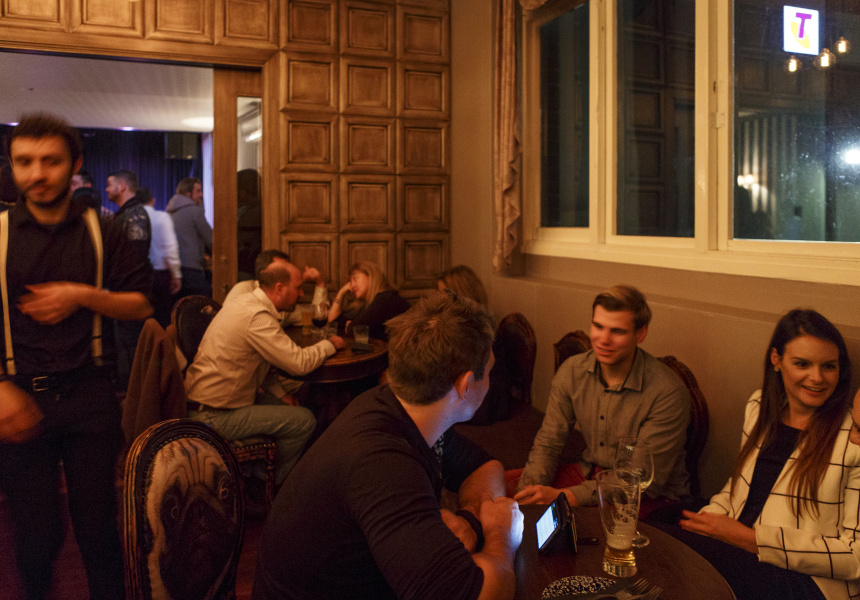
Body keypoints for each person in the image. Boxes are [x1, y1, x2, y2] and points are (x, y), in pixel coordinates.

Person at [253, 292, 524, 600]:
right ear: (465, 385)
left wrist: (471, 522)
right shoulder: (383, 466)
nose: (490, 382)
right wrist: (501, 534)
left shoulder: (400, 407)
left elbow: (485, 466)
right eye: (489, 373)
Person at [0, 112, 153, 600]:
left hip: (90, 394)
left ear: (75, 164)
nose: (37, 173)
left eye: (50, 161)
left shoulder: (104, 230)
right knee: (35, 535)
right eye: (24, 162)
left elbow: (143, 304)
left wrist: (83, 295)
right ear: (12, 165)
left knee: (99, 531)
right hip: (20, 394)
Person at [658, 309, 858, 600]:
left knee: (667, 552)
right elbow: (739, 487)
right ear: (776, 360)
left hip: (807, 580)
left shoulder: (854, 436)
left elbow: (854, 556)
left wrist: (751, 540)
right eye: (802, 364)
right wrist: (709, 521)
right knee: (657, 536)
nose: (817, 378)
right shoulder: (760, 406)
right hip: (741, 548)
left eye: (829, 366)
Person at [511, 285, 690, 513]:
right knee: (502, 490)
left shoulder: (668, 391)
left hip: (648, 496)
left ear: (641, 334)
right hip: (590, 474)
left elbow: (638, 480)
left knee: (571, 524)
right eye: (598, 326)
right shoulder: (572, 371)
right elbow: (549, 443)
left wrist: (565, 497)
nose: (603, 339)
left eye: (617, 331)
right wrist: (527, 495)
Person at [184, 257, 344, 486]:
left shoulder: (246, 303)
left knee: (293, 407)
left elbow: (261, 363)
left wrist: (281, 394)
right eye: (298, 288)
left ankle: (256, 470)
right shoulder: (257, 316)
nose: (301, 294)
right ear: (279, 289)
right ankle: (270, 483)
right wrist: (330, 344)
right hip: (212, 415)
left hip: (213, 403)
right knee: (304, 421)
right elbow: (299, 363)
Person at [105, 168, 152, 390]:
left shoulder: (135, 215)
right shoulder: (126, 213)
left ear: (122, 186)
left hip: (129, 291)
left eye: (109, 184)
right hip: (122, 290)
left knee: (131, 348)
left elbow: (135, 256)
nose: (107, 189)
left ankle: (134, 396)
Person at [224, 248, 328, 326]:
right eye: (279, 268)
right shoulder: (243, 289)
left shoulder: (284, 303)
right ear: (265, 274)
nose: (285, 272)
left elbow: (317, 315)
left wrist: (320, 283)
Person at [327, 260, 410, 341]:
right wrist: (341, 293)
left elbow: (353, 330)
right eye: (350, 282)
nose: (351, 286)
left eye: (355, 279)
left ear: (370, 276)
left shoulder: (386, 299)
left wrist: (350, 327)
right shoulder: (366, 303)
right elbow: (334, 323)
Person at [138, 187, 182, 328]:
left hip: (140, 275)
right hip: (161, 275)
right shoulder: (162, 217)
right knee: (162, 319)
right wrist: (176, 275)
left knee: (142, 321)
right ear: (153, 200)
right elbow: (170, 248)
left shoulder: (133, 219)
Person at [166, 176, 212, 298]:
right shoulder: (195, 211)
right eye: (198, 191)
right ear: (188, 193)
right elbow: (211, 240)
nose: (201, 194)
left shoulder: (169, 210)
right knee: (204, 300)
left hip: (172, 269)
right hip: (192, 268)